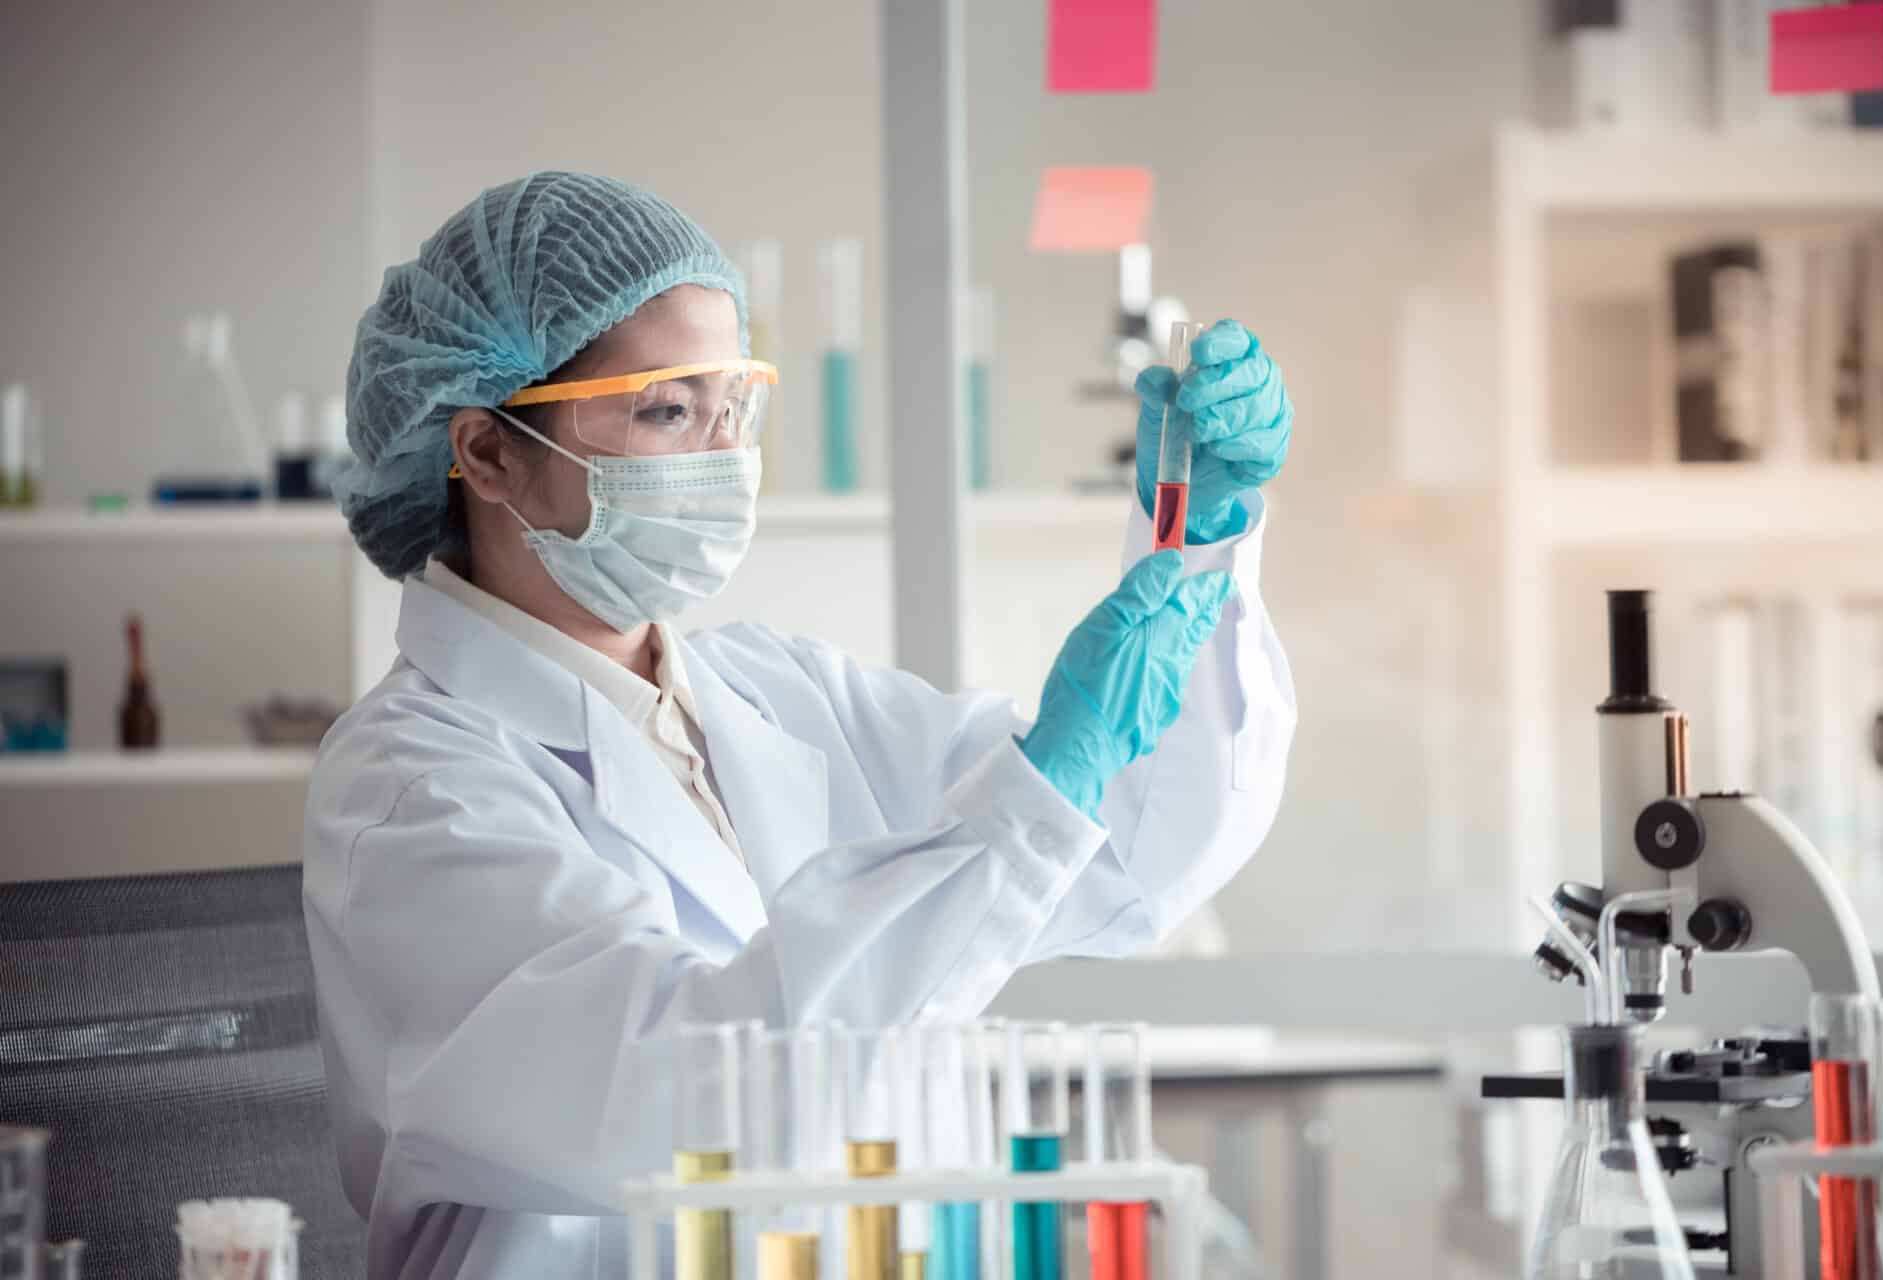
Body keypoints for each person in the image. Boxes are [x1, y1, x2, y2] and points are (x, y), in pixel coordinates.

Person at [303, 171, 1296, 1280]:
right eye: (669, 408)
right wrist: (1038, 790)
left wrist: (1197, 543)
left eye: (735, 405)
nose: (725, 456)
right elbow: (686, 1095)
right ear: (487, 452)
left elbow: (1127, 859)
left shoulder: (775, 689)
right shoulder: (406, 784)